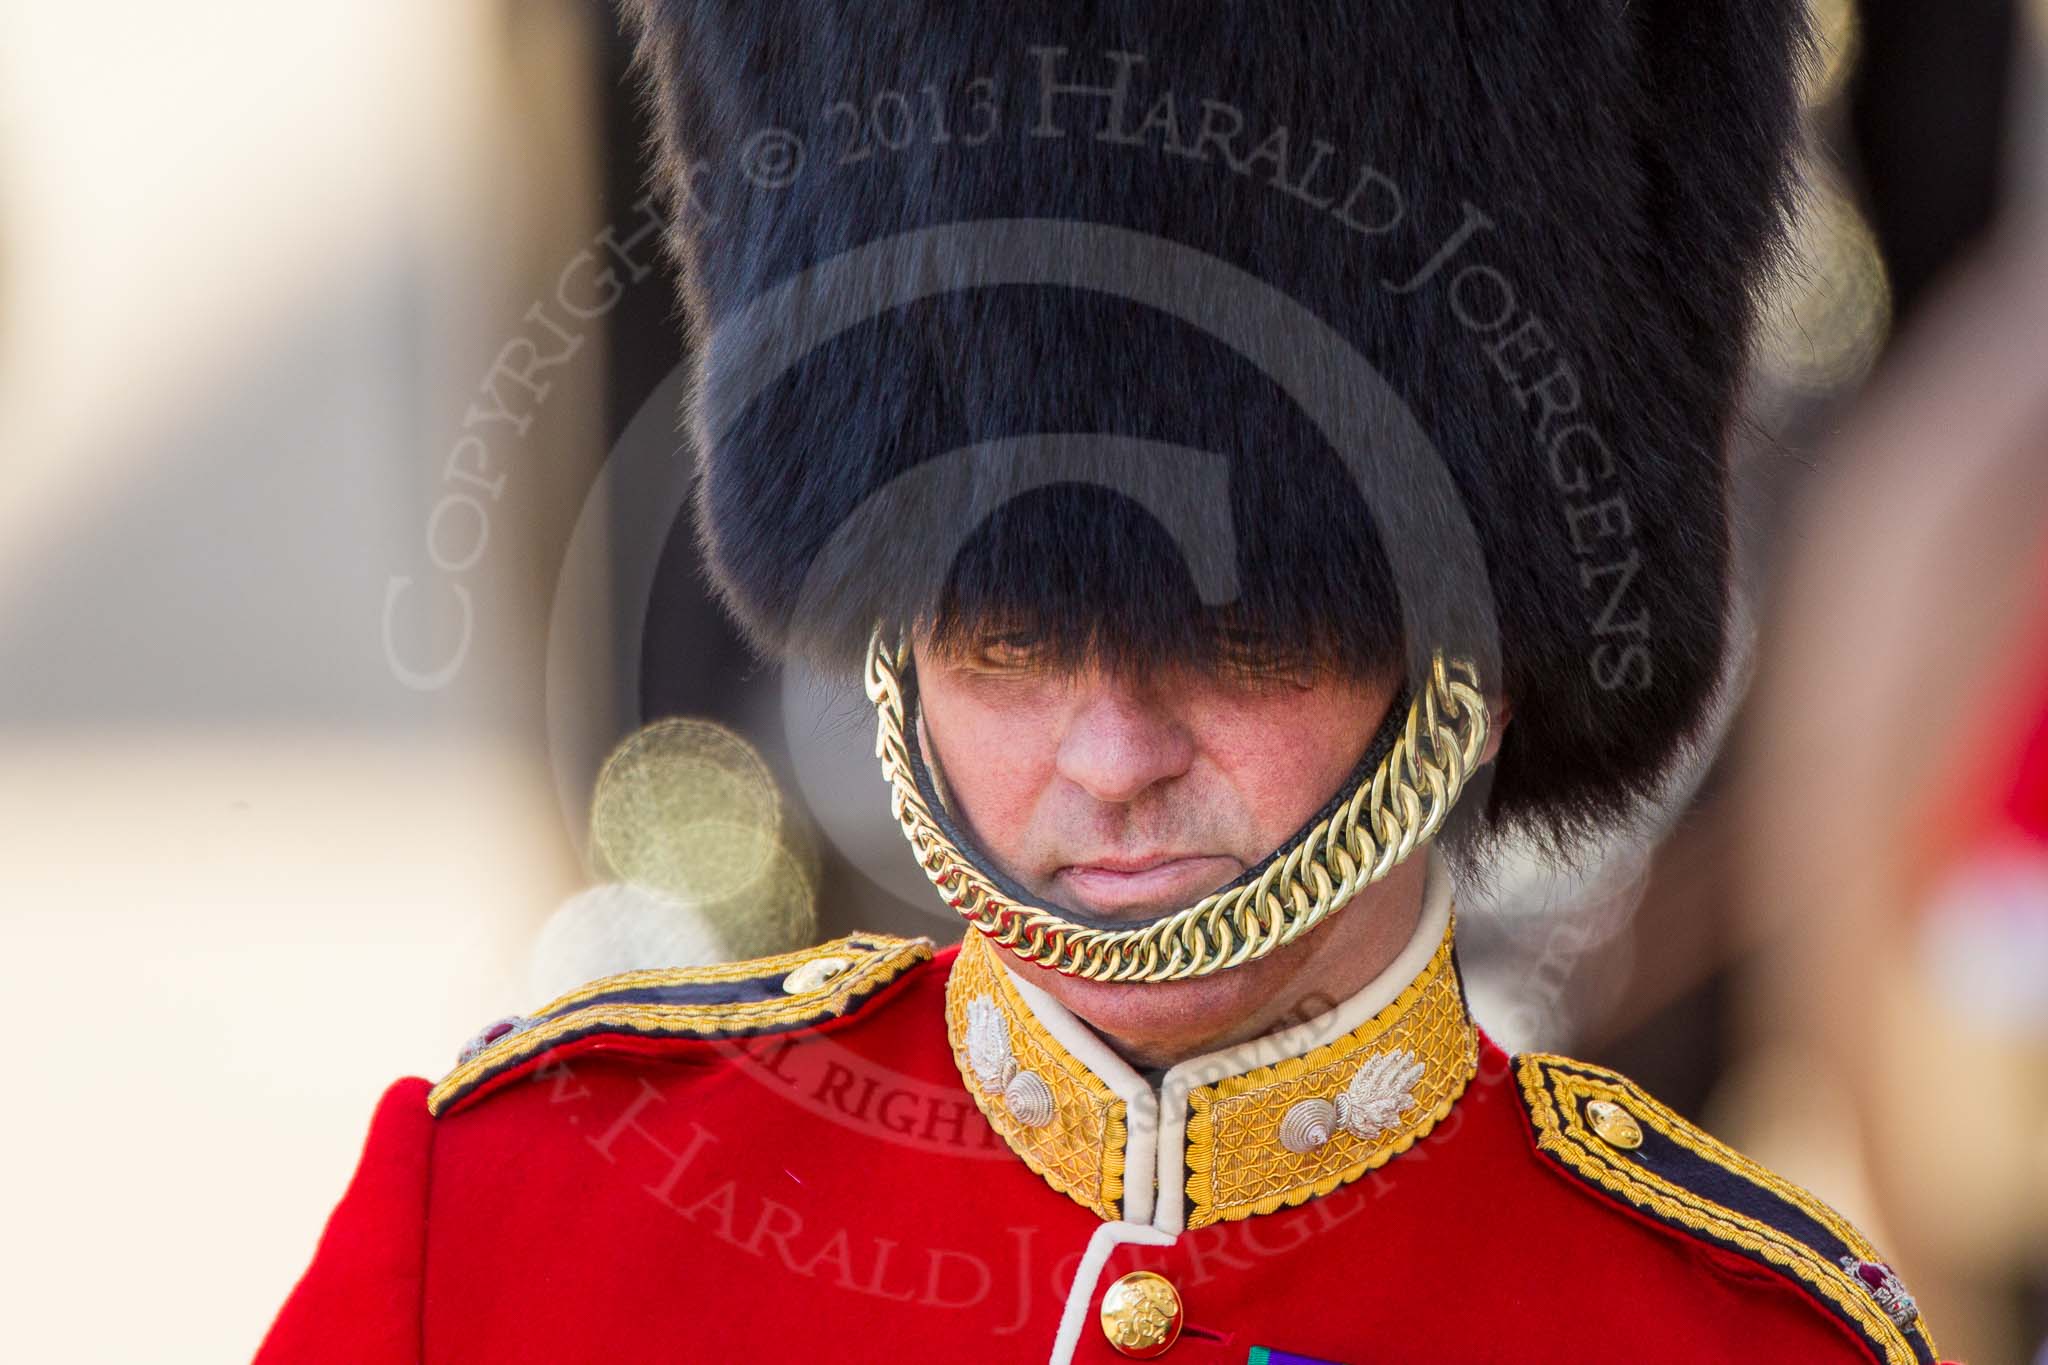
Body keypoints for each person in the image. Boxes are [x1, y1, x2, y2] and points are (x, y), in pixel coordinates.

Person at [255, 3, 1955, 1362]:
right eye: (1006, 631)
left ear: (1474, 651)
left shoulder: (1734, 1338)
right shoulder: (494, 1226)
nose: (1112, 753)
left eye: (1244, 633)